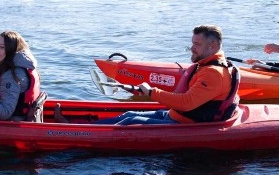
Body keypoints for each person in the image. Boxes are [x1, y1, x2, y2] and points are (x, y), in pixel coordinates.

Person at [87, 25, 239, 125]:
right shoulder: (205, 66)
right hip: (176, 115)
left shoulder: (213, 73)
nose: (192, 48)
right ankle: (72, 124)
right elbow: (183, 92)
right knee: (128, 114)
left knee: (130, 121)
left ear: (213, 46)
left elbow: (186, 102)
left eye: (197, 45)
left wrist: (152, 92)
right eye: (192, 43)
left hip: (186, 124)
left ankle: (75, 129)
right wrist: (141, 90)